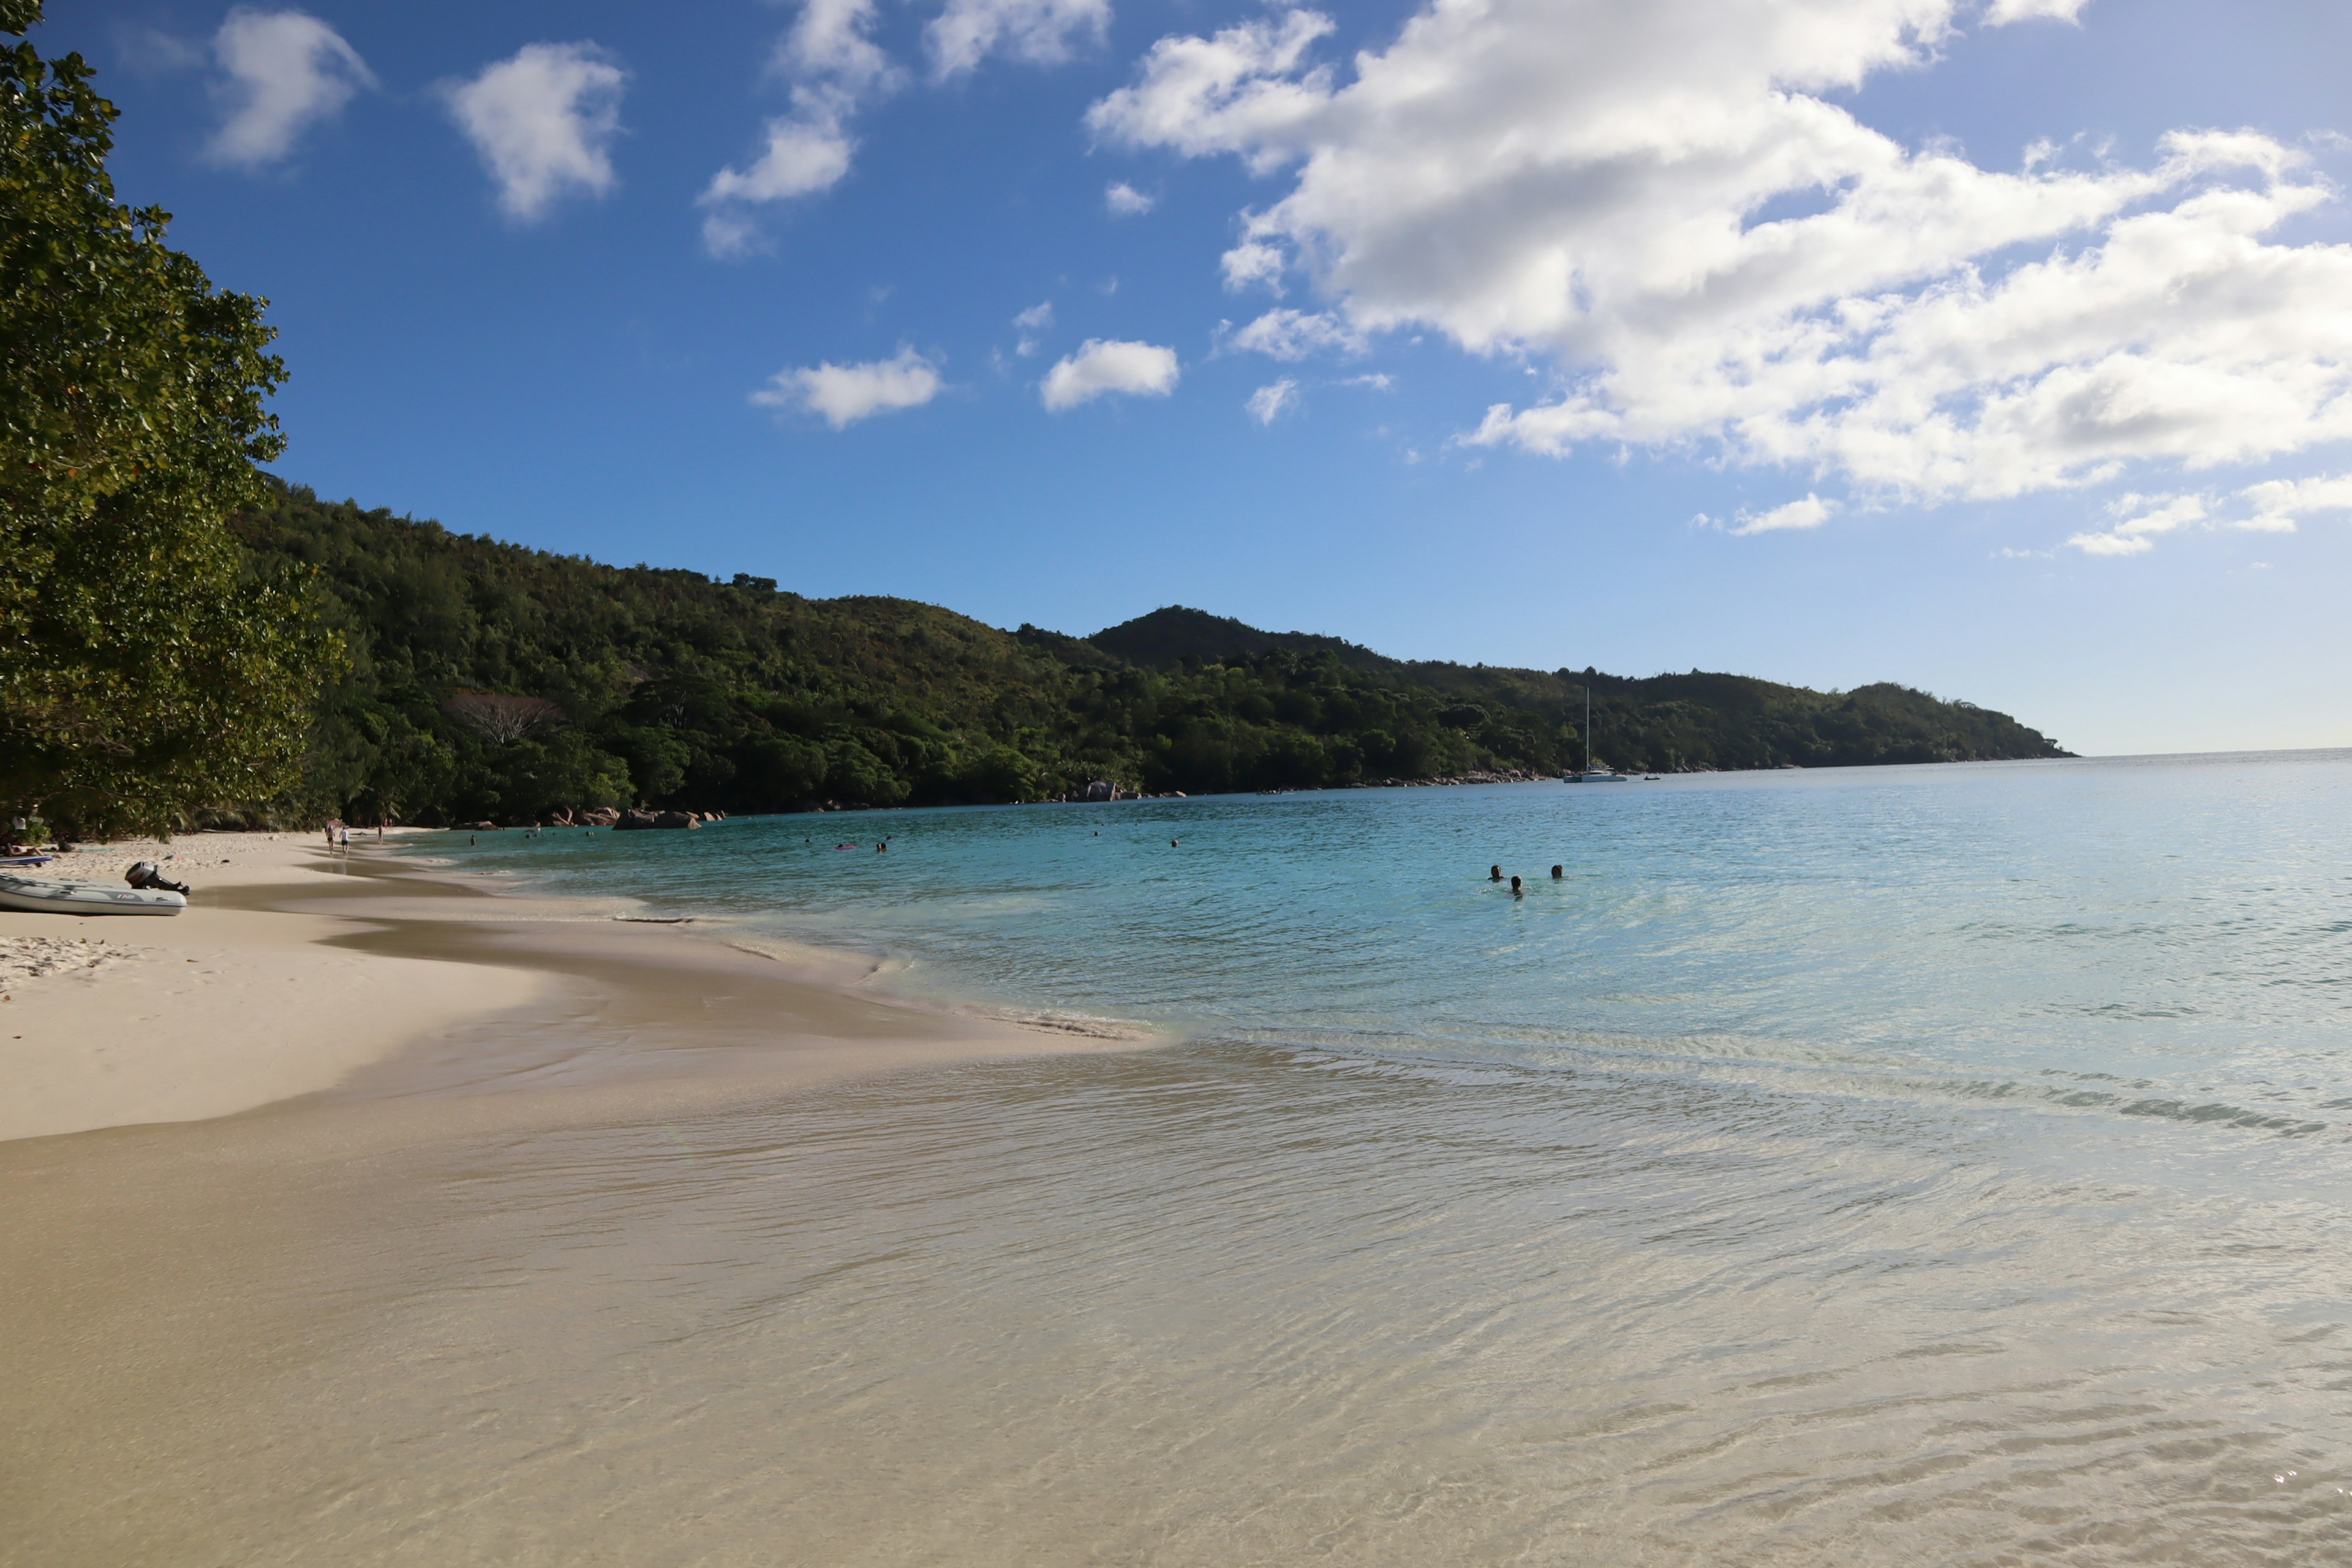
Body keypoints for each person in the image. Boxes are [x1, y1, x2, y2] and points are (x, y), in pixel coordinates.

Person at [126, 862, 190, 895]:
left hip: (147, 876)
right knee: (156, 880)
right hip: (147, 876)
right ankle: (176, 889)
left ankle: (175, 889)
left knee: (157, 880)